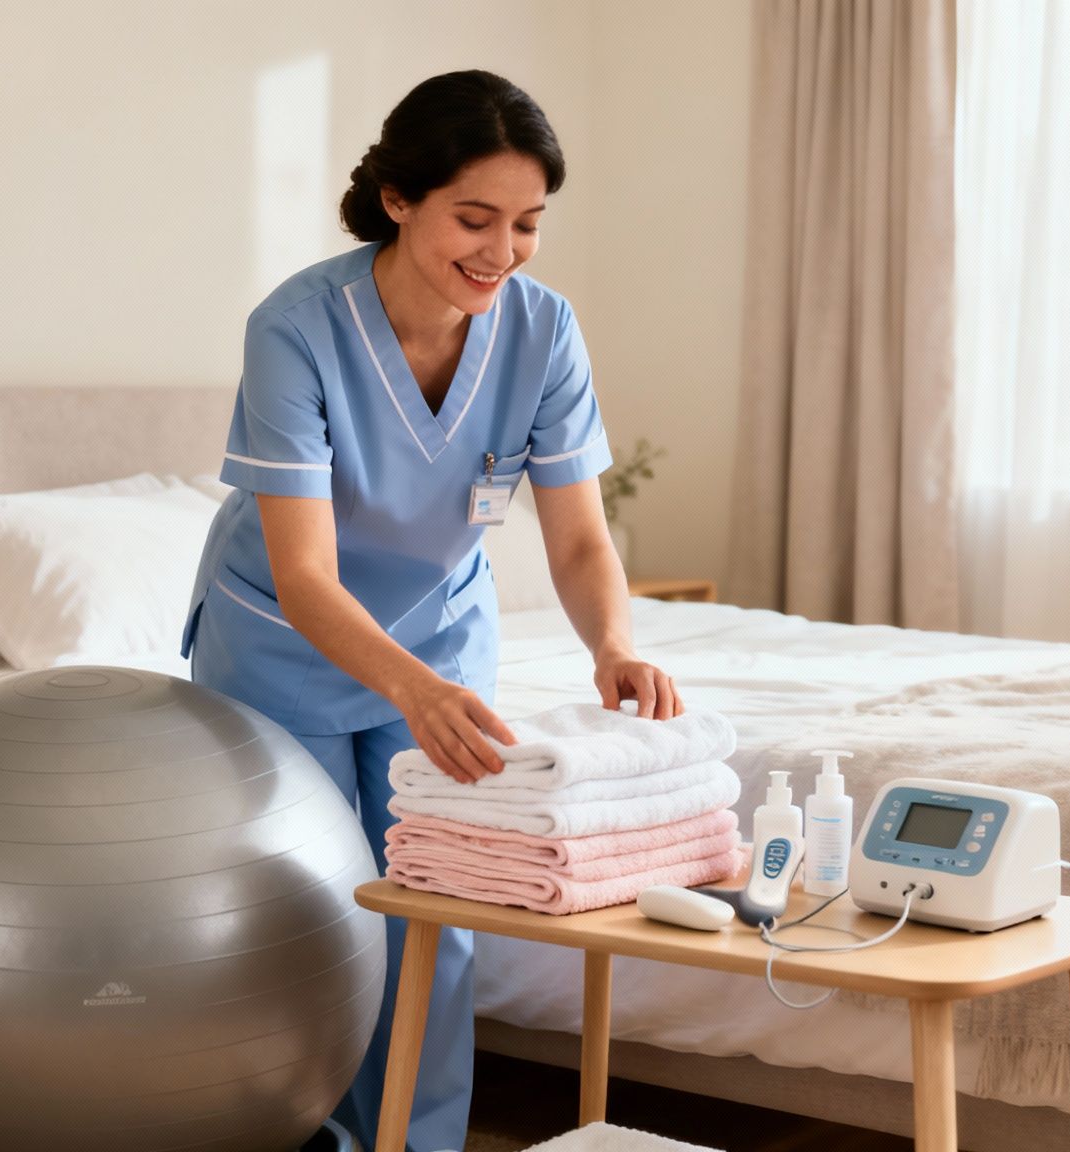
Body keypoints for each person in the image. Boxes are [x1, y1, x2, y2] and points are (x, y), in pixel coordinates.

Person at [181, 69, 683, 1151]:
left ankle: (418, 1141)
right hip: (283, 644)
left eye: (526, 224)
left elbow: (581, 535)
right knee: (304, 916)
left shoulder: (541, 333)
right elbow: (307, 576)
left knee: (439, 913)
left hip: (441, 640)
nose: (500, 251)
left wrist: (613, 643)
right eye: (473, 218)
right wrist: (414, 690)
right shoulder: (296, 331)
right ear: (399, 199)